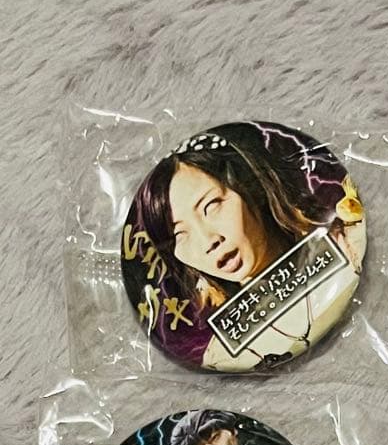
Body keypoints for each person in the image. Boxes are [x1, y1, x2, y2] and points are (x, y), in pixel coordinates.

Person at [130, 125, 365, 370]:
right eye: (180, 234)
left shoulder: (348, 244)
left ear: (251, 186)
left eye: (211, 206)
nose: (208, 240)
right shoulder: (219, 353)